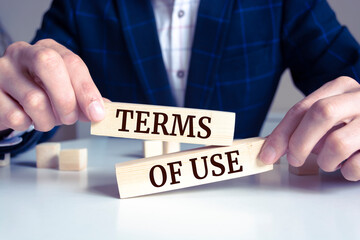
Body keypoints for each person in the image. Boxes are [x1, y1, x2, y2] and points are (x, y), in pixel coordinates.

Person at [1, 0, 360, 181]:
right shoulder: (81, 5)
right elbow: (33, 96)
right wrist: (10, 114)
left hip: (244, 210)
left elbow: (351, 71)